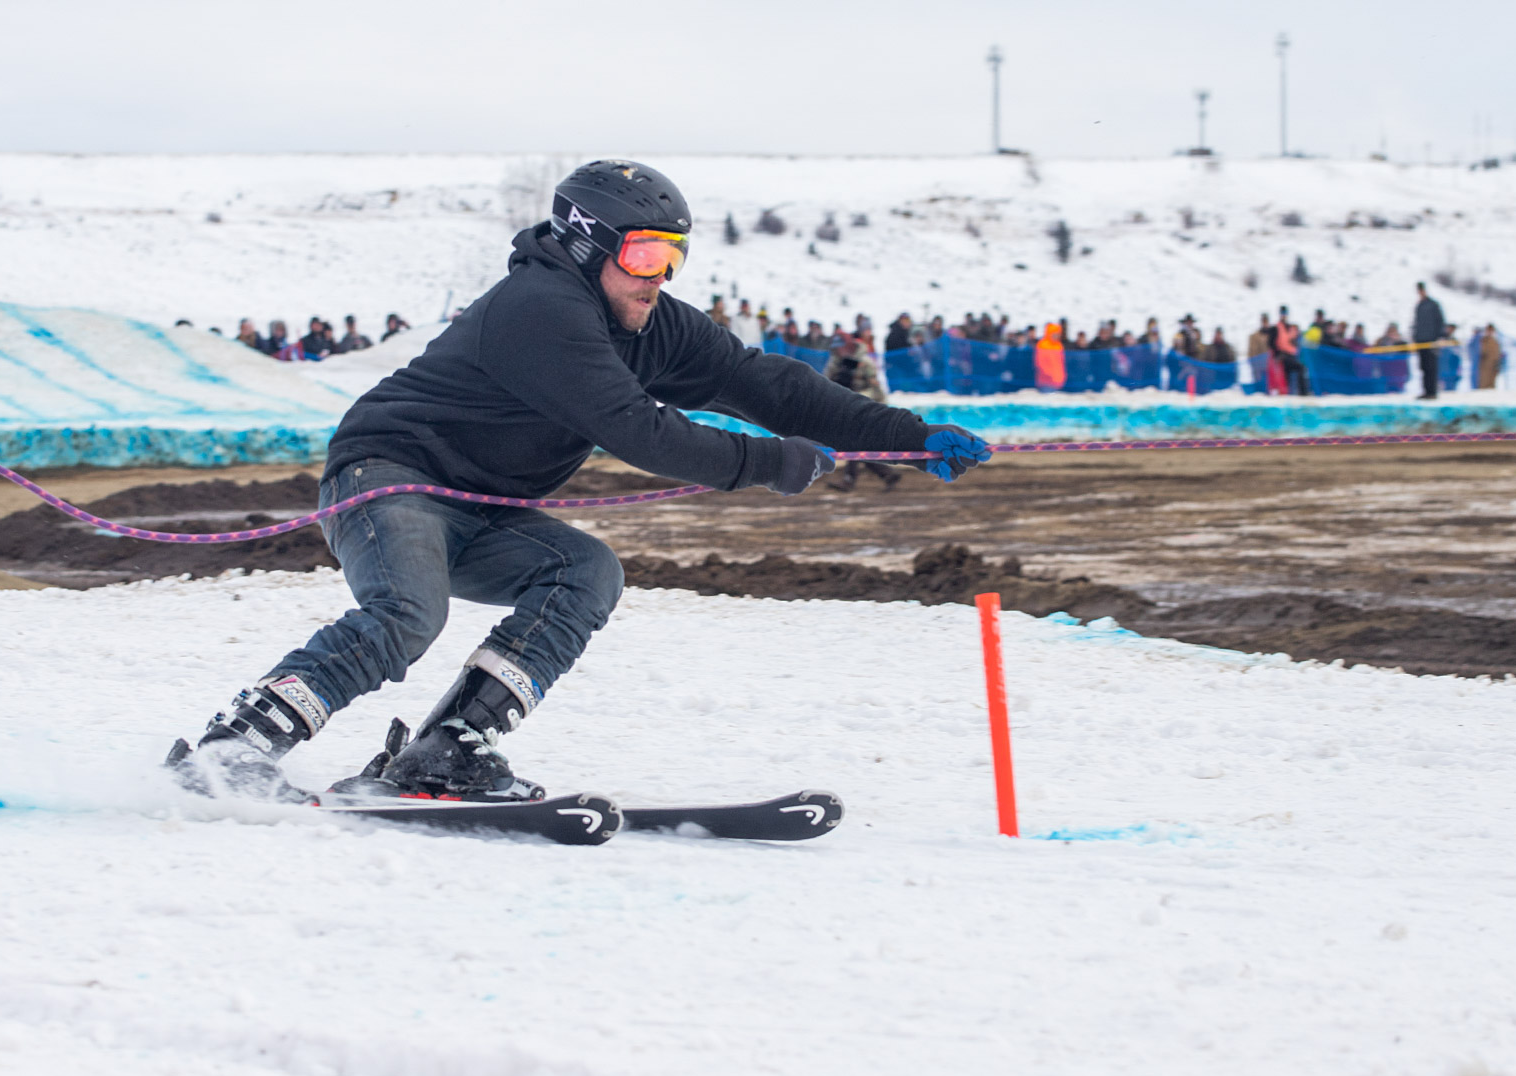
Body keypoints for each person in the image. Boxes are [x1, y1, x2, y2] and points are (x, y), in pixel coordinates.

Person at [171, 160, 991, 800]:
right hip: (388, 479)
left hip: (482, 509)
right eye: (643, 253)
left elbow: (765, 385)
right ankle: (236, 746)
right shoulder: (541, 308)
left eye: (673, 255)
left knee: (586, 570)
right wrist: (770, 464)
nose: (659, 275)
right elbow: (639, 430)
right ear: (587, 242)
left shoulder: (647, 319)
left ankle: (447, 749)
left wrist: (907, 436)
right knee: (409, 615)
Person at [825, 338, 903, 493]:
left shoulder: (865, 363)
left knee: (854, 445)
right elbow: (826, 383)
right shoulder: (835, 364)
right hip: (849, 409)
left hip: (869, 408)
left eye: (841, 347)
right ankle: (887, 474)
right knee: (858, 447)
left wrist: (855, 396)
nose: (839, 351)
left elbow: (877, 391)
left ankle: (849, 481)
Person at [1412, 281, 1446, 400]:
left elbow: (1440, 321)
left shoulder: (1433, 305)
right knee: (1424, 367)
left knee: (1431, 367)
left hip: (1431, 341)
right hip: (1421, 341)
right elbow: (1416, 324)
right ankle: (1426, 391)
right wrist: (1415, 337)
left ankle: (1432, 392)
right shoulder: (1419, 306)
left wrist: (1439, 337)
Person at [1477, 323, 1503, 389]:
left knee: (1492, 383)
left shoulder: (1495, 341)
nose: (1490, 332)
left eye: (1491, 330)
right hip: (1485, 365)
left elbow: (1498, 353)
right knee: (1484, 382)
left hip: (1494, 364)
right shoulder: (1483, 340)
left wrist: (1498, 362)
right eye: (1489, 330)